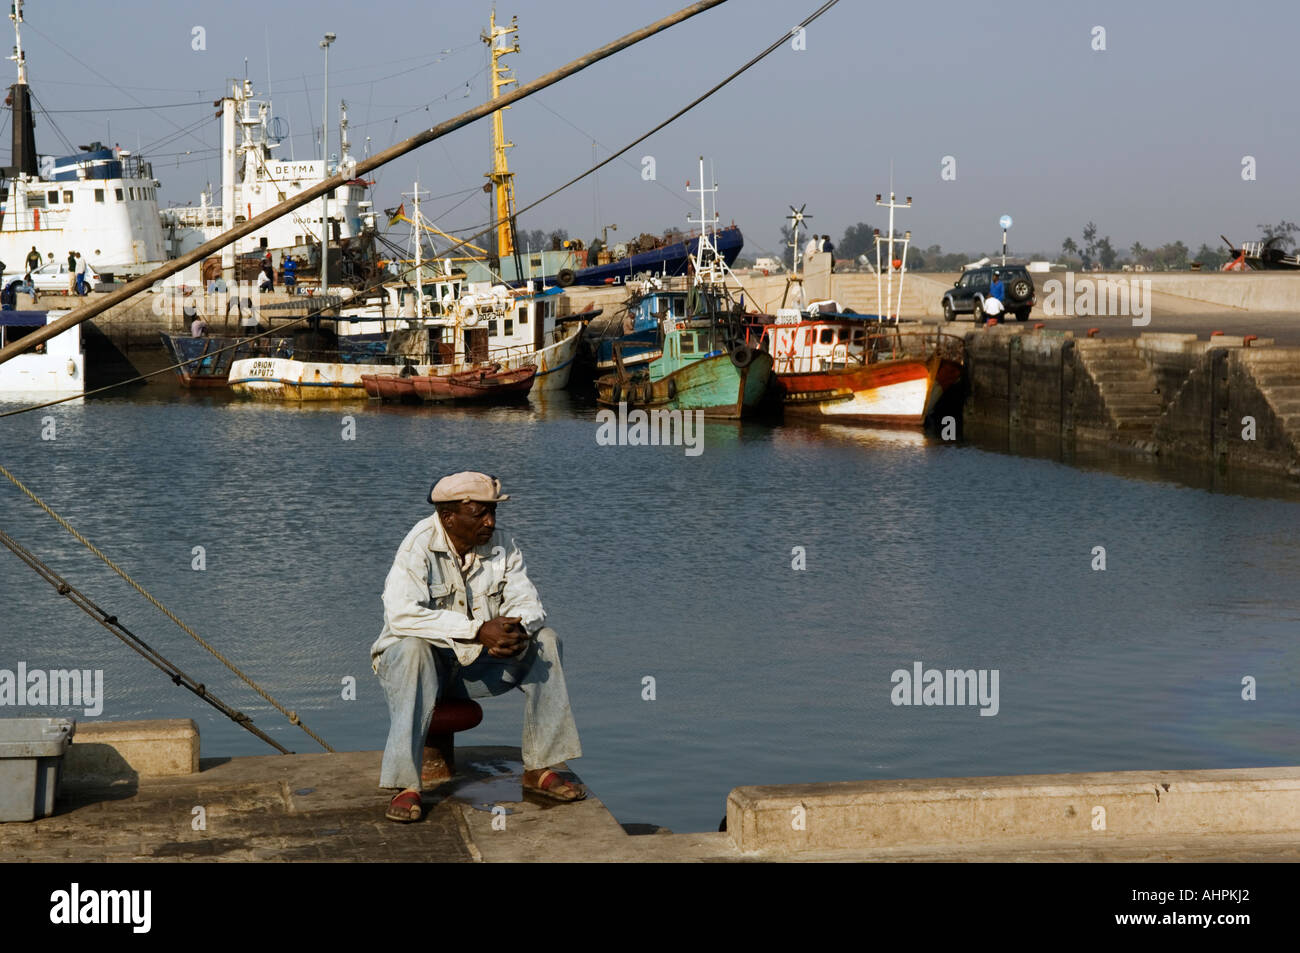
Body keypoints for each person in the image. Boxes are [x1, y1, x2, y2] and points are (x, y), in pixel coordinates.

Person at [371, 472, 584, 823]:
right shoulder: (418, 546)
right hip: (420, 668)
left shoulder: (503, 545)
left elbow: (529, 604)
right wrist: (477, 630)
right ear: (448, 517)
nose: (490, 521)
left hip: (477, 666)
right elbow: (401, 616)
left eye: (493, 513)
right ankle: (405, 785)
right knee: (412, 649)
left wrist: (514, 631)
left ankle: (539, 767)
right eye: (480, 513)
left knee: (546, 641)